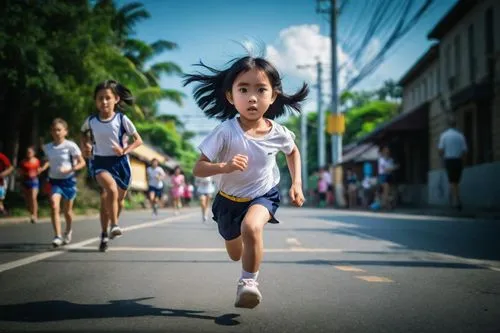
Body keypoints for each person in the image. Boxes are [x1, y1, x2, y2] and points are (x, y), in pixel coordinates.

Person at [184, 55, 307, 309]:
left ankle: (248, 283)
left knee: (252, 227)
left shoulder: (278, 132)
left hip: (263, 194)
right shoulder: (225, 132)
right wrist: (224, 166)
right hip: (228, 201)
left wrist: (297, 184)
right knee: (235, 252)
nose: (252, 97)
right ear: (230, 96)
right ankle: (238, 245)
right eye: (243, 89)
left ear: (273, 96)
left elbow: (293, 151)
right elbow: (198, 168)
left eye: (261, 90)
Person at [80, 80, 143, 252]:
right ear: (96, 101)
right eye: (100, 98)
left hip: (120, 164)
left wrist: (124, 150)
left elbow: (138, 140)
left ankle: (104, 233)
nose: (104, 102)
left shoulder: (122, 119)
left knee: (115, 202)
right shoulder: (91, 121)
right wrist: (85, 147)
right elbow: (83, 134)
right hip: (100, 162)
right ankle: (114, 225)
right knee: (110, 191)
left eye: (108, 98)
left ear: (116, 99)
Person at [39, 118, 86, 247]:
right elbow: (48, 161)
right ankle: (57, 236)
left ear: (65, 131)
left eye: (59, 130)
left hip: (69, 181)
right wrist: (42, 168)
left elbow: (82, 162)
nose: (57, 132)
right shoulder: (47, 147)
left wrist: (70, 169)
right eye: (54, 130)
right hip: (54, 181)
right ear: (51, 132)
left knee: (67, 212)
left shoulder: (71, 146)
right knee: (54, 205)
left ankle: (68, 230)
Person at [438, 116, 467, 211]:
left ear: (448, 125)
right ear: (455, 125)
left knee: (452, 181)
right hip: (458, 160)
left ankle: (456, 200)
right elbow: (464, 150)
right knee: (456, 181)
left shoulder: (444, 135)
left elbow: (441, 150)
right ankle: (453, 199)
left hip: (449, 159)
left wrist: (441, 158)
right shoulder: (460, 136)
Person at [18, 146, 41, 223]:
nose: (29, 154)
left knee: (33, 198)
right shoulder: (23, 162)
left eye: (30, 152)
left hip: (34, 181)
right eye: (27, 152)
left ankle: (35, 215)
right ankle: (31, 213)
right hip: (25, 181)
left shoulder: (36, 161)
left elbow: (38, 170)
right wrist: (25, 173)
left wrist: (36, 172)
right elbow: (20, 172)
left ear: (33, 153)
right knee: (27, 200)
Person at [377, 146, 398, 210]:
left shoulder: (390, 160)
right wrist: (393, 168)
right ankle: (385, 205)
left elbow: (391, 168)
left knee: (390, 191)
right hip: (383, 176)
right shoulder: (381, 159)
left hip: (389, 176)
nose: (387, 151)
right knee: (386, 190)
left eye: (387, 150)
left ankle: (387, 204)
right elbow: (386, 169)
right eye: (385, 150)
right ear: (383, 151)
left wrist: (392, 168)